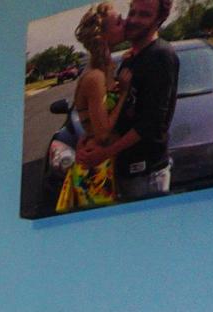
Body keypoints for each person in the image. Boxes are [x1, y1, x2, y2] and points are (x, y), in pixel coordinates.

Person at [81, 0, 181, 200]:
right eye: (132, 12)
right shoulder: (131, 59)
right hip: (125, 172)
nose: (133, 20)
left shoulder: (160, 56)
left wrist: (104, 153)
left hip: (146, 175)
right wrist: (86, 144)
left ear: (159, 19)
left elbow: (150, 124)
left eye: (144, 15)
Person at [58, 3, 128, 211]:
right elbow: (103, 134)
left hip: (109, 164)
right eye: (118, 22)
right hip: (97, 173)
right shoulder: (94, 77)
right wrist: (123, 94)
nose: (124, 22)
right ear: (104, 35)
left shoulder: (105, 69)